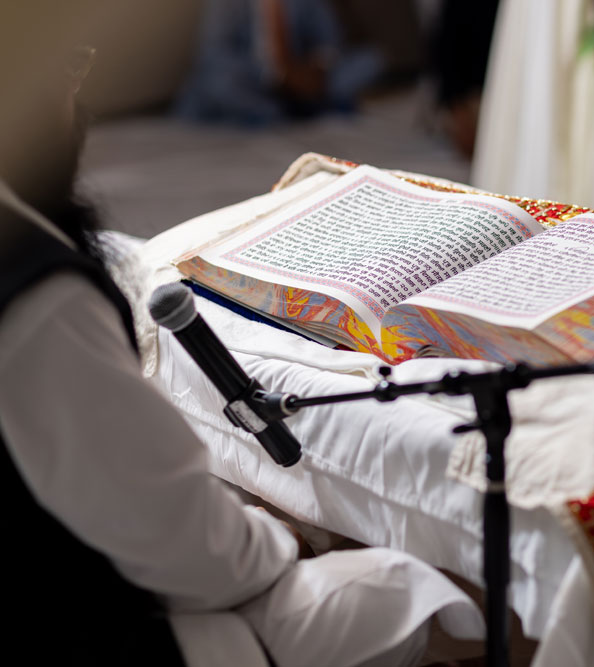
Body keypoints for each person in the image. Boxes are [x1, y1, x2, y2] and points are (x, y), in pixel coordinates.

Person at [0, 4, 478, 665]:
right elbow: (192, 553)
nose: (74, 98)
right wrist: (286, 541)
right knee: (399, 587)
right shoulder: (37, 295)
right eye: (67, 67)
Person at [174, 0, 383, 125]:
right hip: (253, 77)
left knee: (369, 60)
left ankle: (305, 102)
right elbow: (214, 51)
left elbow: (330, 42)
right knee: (219, 78)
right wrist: (277, 75)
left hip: (302, 72)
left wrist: (315, 69)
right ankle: (286, 111)